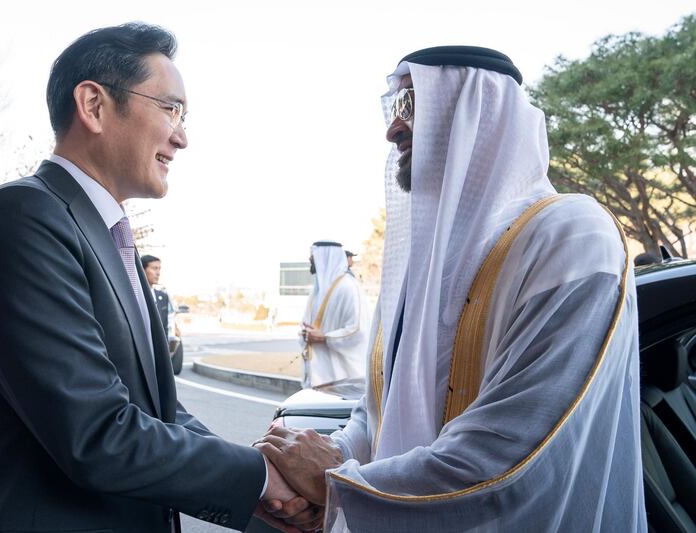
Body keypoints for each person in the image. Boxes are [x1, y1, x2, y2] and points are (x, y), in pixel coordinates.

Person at [256, 46, 645, 532]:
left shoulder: (571, 236)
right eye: (394, 110)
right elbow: (377, 412)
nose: (393, 129)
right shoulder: (419, 265)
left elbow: (506, 452)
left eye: (412, 108)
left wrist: (338, 485)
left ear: (479, 114)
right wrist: (336, 457)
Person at [0, 23, 313, 533]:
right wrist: (260, 479)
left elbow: (158, 409)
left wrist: (254, 484)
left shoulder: (107, 232)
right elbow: (95, 432)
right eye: (170, 109)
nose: (182, 137)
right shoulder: (20, 217)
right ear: (94, 105)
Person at [300, 241, 370, 388]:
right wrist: (306, 333)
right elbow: (306, 325)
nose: (310, 259)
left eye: (313, 255)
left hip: (345, 380)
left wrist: (325, 337)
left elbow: (358, 330)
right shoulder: (317, 291)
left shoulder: (348, 288)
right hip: (318, 378)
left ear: (325, 256)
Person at [142, 254, 170, 335]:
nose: (158, 273)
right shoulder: (135, 296)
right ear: (142, 270)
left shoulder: (163, 297)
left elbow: (165, 326)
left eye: (159, 269)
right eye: (154, 268)